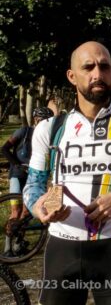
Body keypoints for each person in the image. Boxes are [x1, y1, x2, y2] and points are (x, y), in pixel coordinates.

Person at [22, 41, 111, 305]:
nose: (97, 74)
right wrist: (37, 207)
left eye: (104, 66)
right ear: (72, 76)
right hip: (62, 246)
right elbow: (33, 185)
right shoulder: (49, 127)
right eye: (88, 67)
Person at [2, 107, 53, 255]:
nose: (43, 123)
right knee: (15, 211)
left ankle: (18, 245)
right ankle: (7, 248)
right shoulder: (24, 132)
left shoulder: (47, 137)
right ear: (35, 120)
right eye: (41, 120)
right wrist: (17, 164)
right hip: (18, 175)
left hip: (33, 177)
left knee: (26, 212)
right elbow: (4, 149)